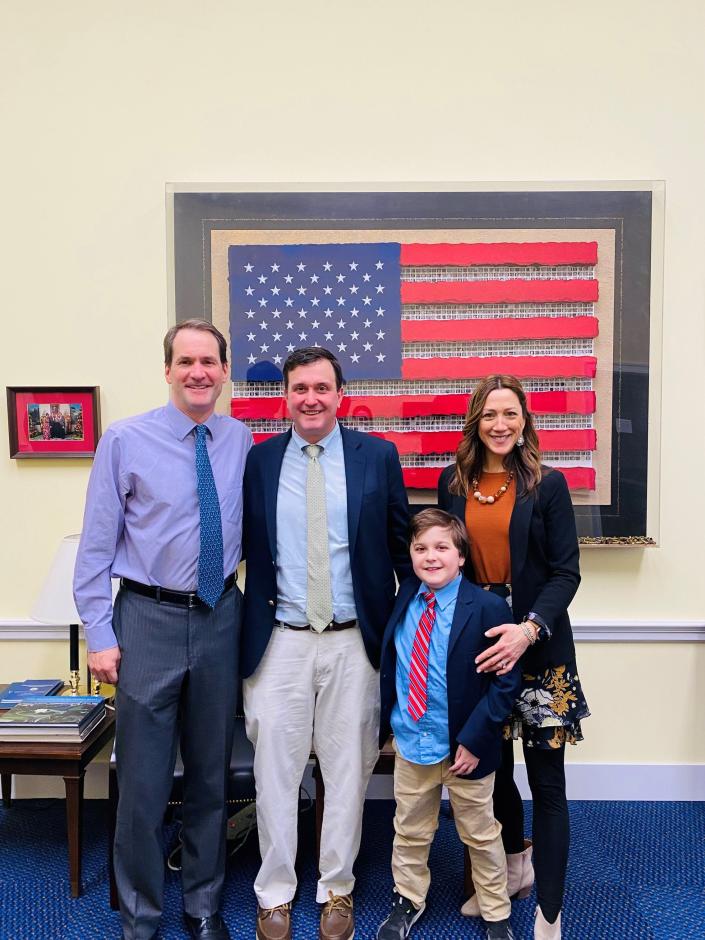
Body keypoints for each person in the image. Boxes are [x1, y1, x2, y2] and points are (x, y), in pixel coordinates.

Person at [73, 319, 252, 940]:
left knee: (210, 777)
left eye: (210, 361)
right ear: (168, 370)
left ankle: (203, 907)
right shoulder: (124, 440)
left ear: (225, 371)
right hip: (146, 618)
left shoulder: (240, 438)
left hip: (220, 616)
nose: (198, 372)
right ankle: (140, 915)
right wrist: (99, 631)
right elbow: (96, 547)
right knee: (144, 783)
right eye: (186, 362)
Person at [241, 346, 411, 940]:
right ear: (284, 396)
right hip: (279, 640)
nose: (310, 398)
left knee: (348, 771)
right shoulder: (259, 461)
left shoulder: (377, 457)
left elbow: (402, 551)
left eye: (321, 387)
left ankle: (337, 889)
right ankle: (274, 894)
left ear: (340, 393)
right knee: (275, 774)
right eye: (298, 388)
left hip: (352, 643)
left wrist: (402, 634)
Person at [438, 374, 588, 940]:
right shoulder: (454, 484)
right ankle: (508, 867)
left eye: (511, 414)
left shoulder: (548, 485)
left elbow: (566, 571)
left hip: (541, 650)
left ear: (525, 420)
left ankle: (550, 911)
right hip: (482, 655)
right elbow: (446, 568)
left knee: (547, 782)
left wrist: (527, 631)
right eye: (489, 415)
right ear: (475, 422)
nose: (501, 425)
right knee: (492, 773)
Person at [375, 509, 520, 940]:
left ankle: (496, 910)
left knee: (480, 832)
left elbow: (504, 684)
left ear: (461, 556)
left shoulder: (489, 607)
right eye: (421, 548)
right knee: (410, 829)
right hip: (412, 741)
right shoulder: (402, 601)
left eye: (442, 548)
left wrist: (476, 739)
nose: (431, 557)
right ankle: (408, 899)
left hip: (466, 748)